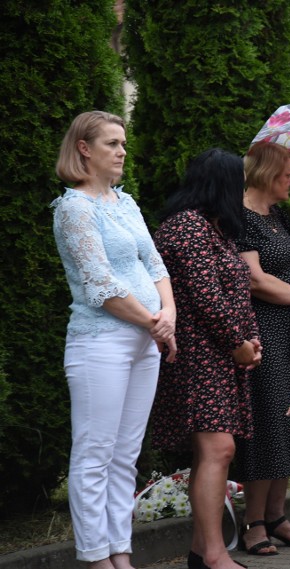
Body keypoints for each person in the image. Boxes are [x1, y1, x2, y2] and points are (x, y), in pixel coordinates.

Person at [52, 111, 176, 569]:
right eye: (111, 143)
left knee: (126, 456)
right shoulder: (74, 208)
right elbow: (100, 286)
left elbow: (156, 265)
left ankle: (121, 554)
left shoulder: (125, 203)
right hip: (100, 342)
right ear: (84, 149)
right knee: (94, 455)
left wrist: (169, 318)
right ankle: (95, 558)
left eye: (123, 142)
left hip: (145, 342)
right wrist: (154, 322)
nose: (122, 151)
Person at [151, 148, 261, 569]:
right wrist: (238, 341)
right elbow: (205, 299)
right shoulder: (187, 229)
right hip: (198, 357)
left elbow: (237, 291)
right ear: (223, 184)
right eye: (239, 183)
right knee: (218, 448)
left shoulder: (215, 230)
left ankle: (202, 551)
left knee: (214, 453)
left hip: (222, 355)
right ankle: (213, 554)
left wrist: (250, 339)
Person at [236, 142, 290, 556]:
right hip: (264, 328)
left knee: (289, 422)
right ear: (268, 173)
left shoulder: (279, 215)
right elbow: (253, 279)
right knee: (268, 423)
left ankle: (277, 515)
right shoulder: (242, 216)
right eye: (288, 172)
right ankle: (254, 523)